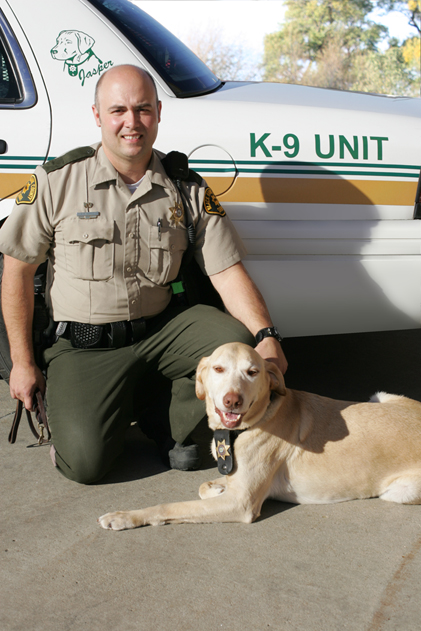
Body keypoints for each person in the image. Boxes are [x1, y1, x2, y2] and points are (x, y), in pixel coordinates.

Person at [0, 65, 287, 484]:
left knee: (237, 345)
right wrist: (23, 363)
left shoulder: (185, 188)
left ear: (157, 113)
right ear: (97, 115)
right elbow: (16, 274)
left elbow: (226, 269)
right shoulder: (56, 182)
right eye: (118, 110)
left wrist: (267, 337)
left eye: (143, 109)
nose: (131, 122)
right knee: (86, 464)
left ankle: (160, 412)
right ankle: (96, 412)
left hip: (162, 330)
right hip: (84, 345)